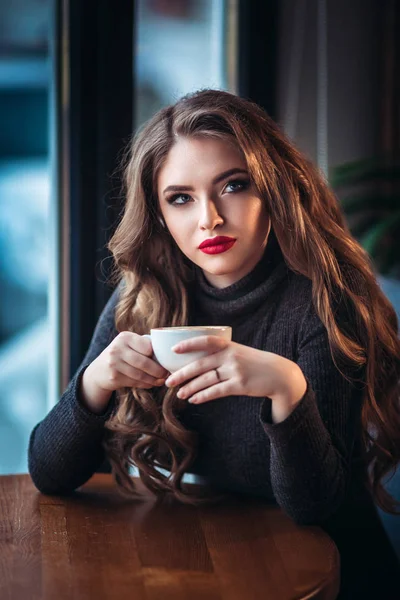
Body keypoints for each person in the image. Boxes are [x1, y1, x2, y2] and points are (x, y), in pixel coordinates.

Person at [28, 89, 400, 597]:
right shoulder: (145, 296)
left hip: (328, 579)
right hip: (208, 565)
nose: (209, 218)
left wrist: (287, 390)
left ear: (274, 189)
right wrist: (93, 384)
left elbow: (315, 509)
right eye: (180, 197)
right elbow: (48, 475)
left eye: (233, 186)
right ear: (158, 213)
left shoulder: (326, 303)